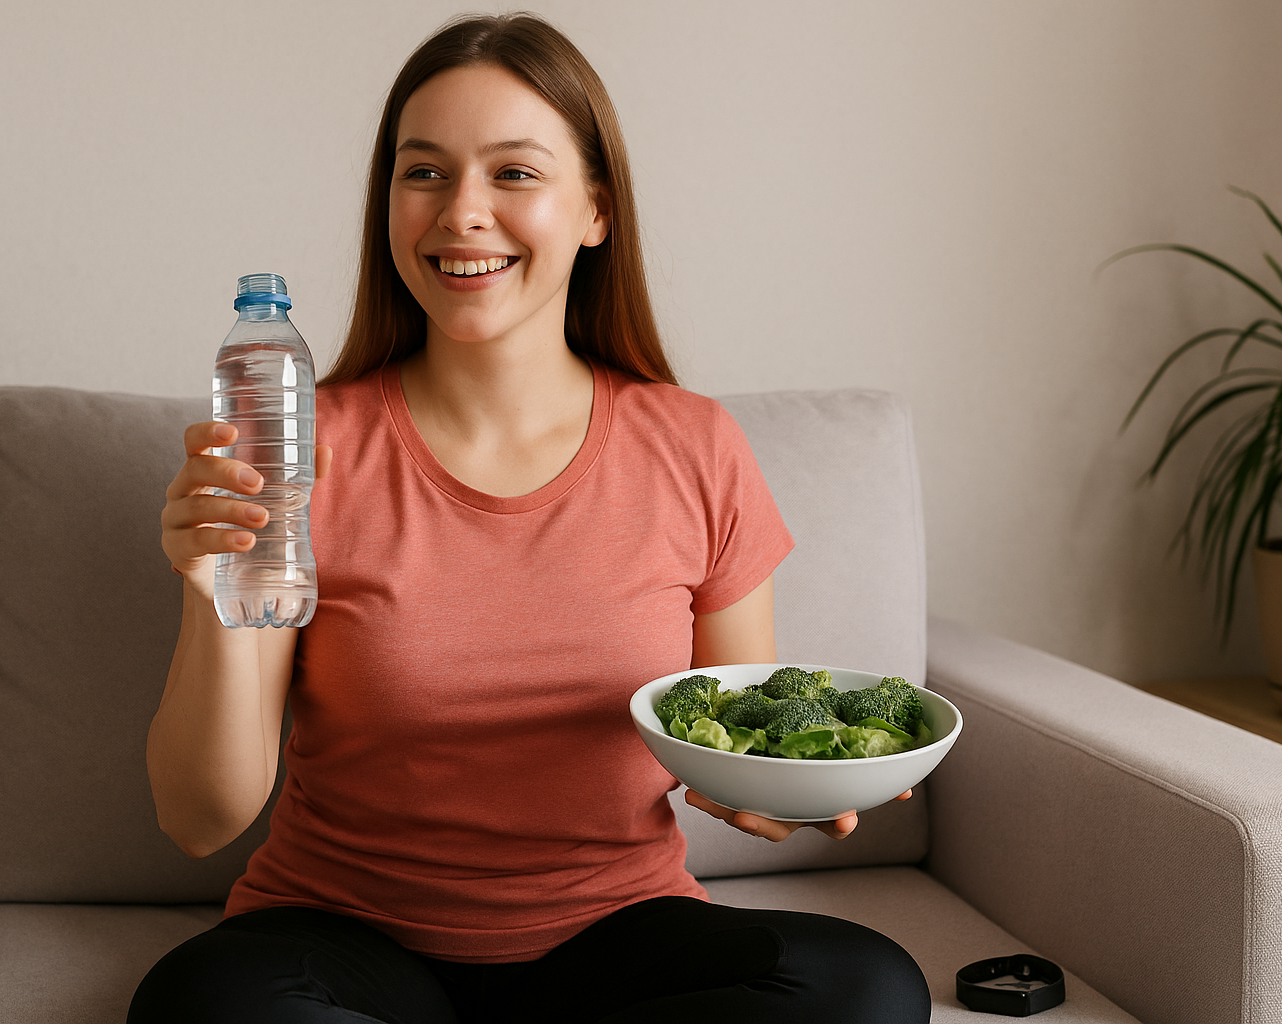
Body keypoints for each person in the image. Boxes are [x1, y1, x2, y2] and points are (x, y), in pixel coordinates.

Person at [133, 13, 930, 1024]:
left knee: (867, 988)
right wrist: (210, 592)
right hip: (342, 936)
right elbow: (202, 820)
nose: (462, 212)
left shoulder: (694, 445)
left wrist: (782, 785)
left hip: (617, 938)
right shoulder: (299, 446)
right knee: (196, 1003)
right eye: (424, 173)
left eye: (514, 174)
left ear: (596, 208)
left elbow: (730, 751)